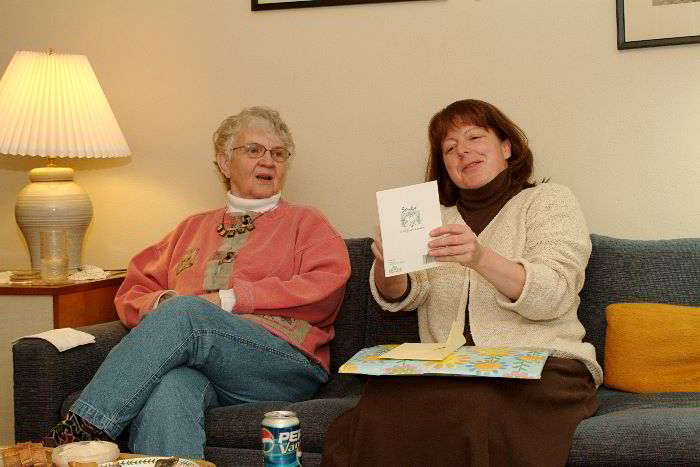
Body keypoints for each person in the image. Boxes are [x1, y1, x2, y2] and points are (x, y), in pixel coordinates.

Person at [44, 106, 351, 459]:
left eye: (278, 153)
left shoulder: (306, 222)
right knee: (170, 387)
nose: (268, 161)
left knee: (187, 313)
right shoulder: (190, 229)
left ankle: (80, 432)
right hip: (208, 370)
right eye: (254, 150)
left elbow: (326, 288)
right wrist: (164, 303)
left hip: (283, 364)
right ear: (224, 162)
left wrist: (228, 300)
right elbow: (134, 291)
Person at [321, 99, 601, 466]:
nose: (462, 151)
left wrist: (480, 257)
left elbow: (555, 292)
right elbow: (402, 294)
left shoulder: (548, 201)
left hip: (543, 367)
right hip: (452, 369)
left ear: (506, 147)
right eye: (450, 147)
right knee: (380, 400)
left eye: (474, 137)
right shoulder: (433, 217)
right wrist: (388, 265)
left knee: (473, 405)